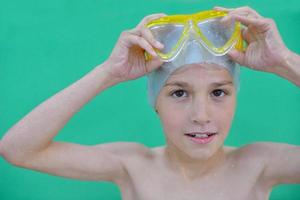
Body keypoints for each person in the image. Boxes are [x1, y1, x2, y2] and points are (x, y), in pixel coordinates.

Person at [0, 6, 299, 200]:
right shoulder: (132, 166)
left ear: (235, 96)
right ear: (155, 102)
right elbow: (17, 149)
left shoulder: (261, 166)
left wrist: (284, 61)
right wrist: (107, 73)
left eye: (218, 92)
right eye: (179, 93)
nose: (201, 115)